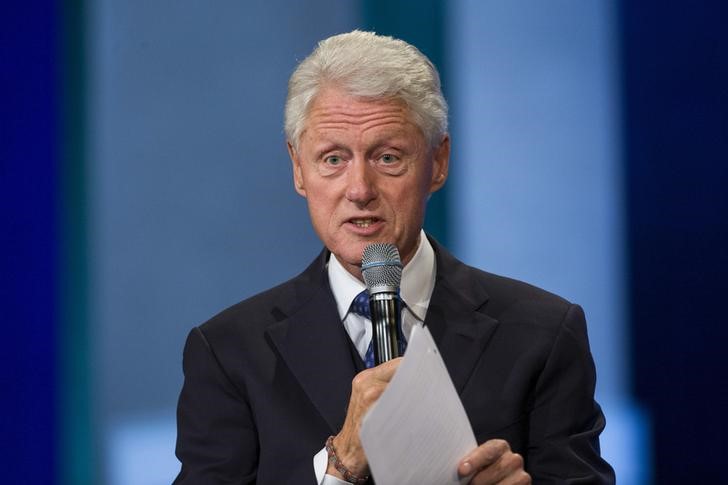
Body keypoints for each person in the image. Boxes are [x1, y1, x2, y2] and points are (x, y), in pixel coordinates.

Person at [173, 30, 615, 484]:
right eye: (332, 159)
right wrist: (338, 469)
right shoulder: (229, 353)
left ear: (437, 162)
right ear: (298, 169)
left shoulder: (542, 333)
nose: (360, 190)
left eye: (387, 157)